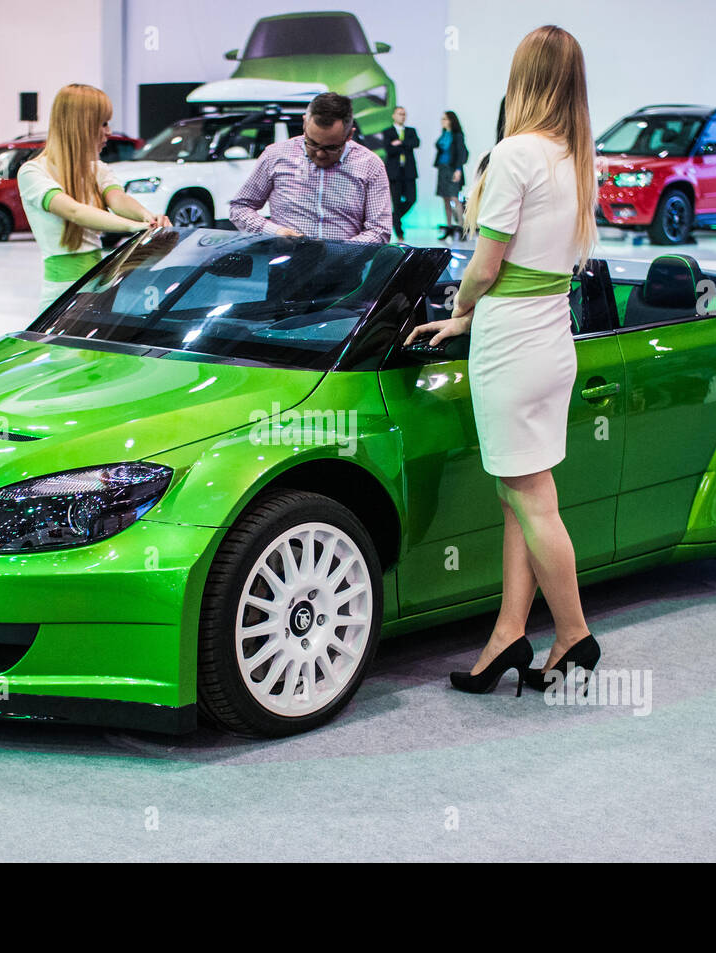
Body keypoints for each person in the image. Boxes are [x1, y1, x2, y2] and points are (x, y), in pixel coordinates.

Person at [406, 25, 602, 696]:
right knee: (520, 493)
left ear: (524, 78)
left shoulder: (515, 154)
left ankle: (573, 632)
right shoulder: (576, 157)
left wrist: (461, 310)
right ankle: (508, 633)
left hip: (511, 339)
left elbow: (485, 266)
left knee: (531, 499)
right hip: (552, 337)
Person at [17, 83, 169, 311]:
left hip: (101, 287)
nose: (109, 132)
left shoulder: (97, 169)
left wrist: (148, 218)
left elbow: (118, 199)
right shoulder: (33, 172)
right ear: (82, 125)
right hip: (63, 295)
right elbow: (74, 211)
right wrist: (134, 227)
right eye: (103, 123)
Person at [229, 92, 391, 243]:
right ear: (304, 123)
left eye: (331, 148)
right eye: (312, 143)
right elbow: (240, 208)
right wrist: (274, 231)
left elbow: (379, 230)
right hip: (285, 267)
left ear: (349, 135)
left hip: (345, 270)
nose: (320, 154)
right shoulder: (275, 155)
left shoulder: (370, 165)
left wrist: (340, 252)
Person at [381, 106, 419, 240]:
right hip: (394, 172)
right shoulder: (388, 132)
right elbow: (389, 149)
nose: (402, 116)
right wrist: (404, 145)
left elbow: (415, 143)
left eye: (404, 114)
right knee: (396, 202)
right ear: (393, 116)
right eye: (400, 114)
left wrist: (400, 143)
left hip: (408, 171)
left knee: (411, 199)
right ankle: (399, 230)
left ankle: (393, 218)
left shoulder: (410, 131)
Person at [434, 110, 468, 239]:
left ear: (451, 120)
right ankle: (448, 227)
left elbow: (461, 153)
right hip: (442, 168)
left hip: (453, 169)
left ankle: (461, 226)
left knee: (455, 198)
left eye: (445, 119)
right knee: (445, 198)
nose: (442, 121)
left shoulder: (457, 135)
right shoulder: (444, 134)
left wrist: (458, 169)